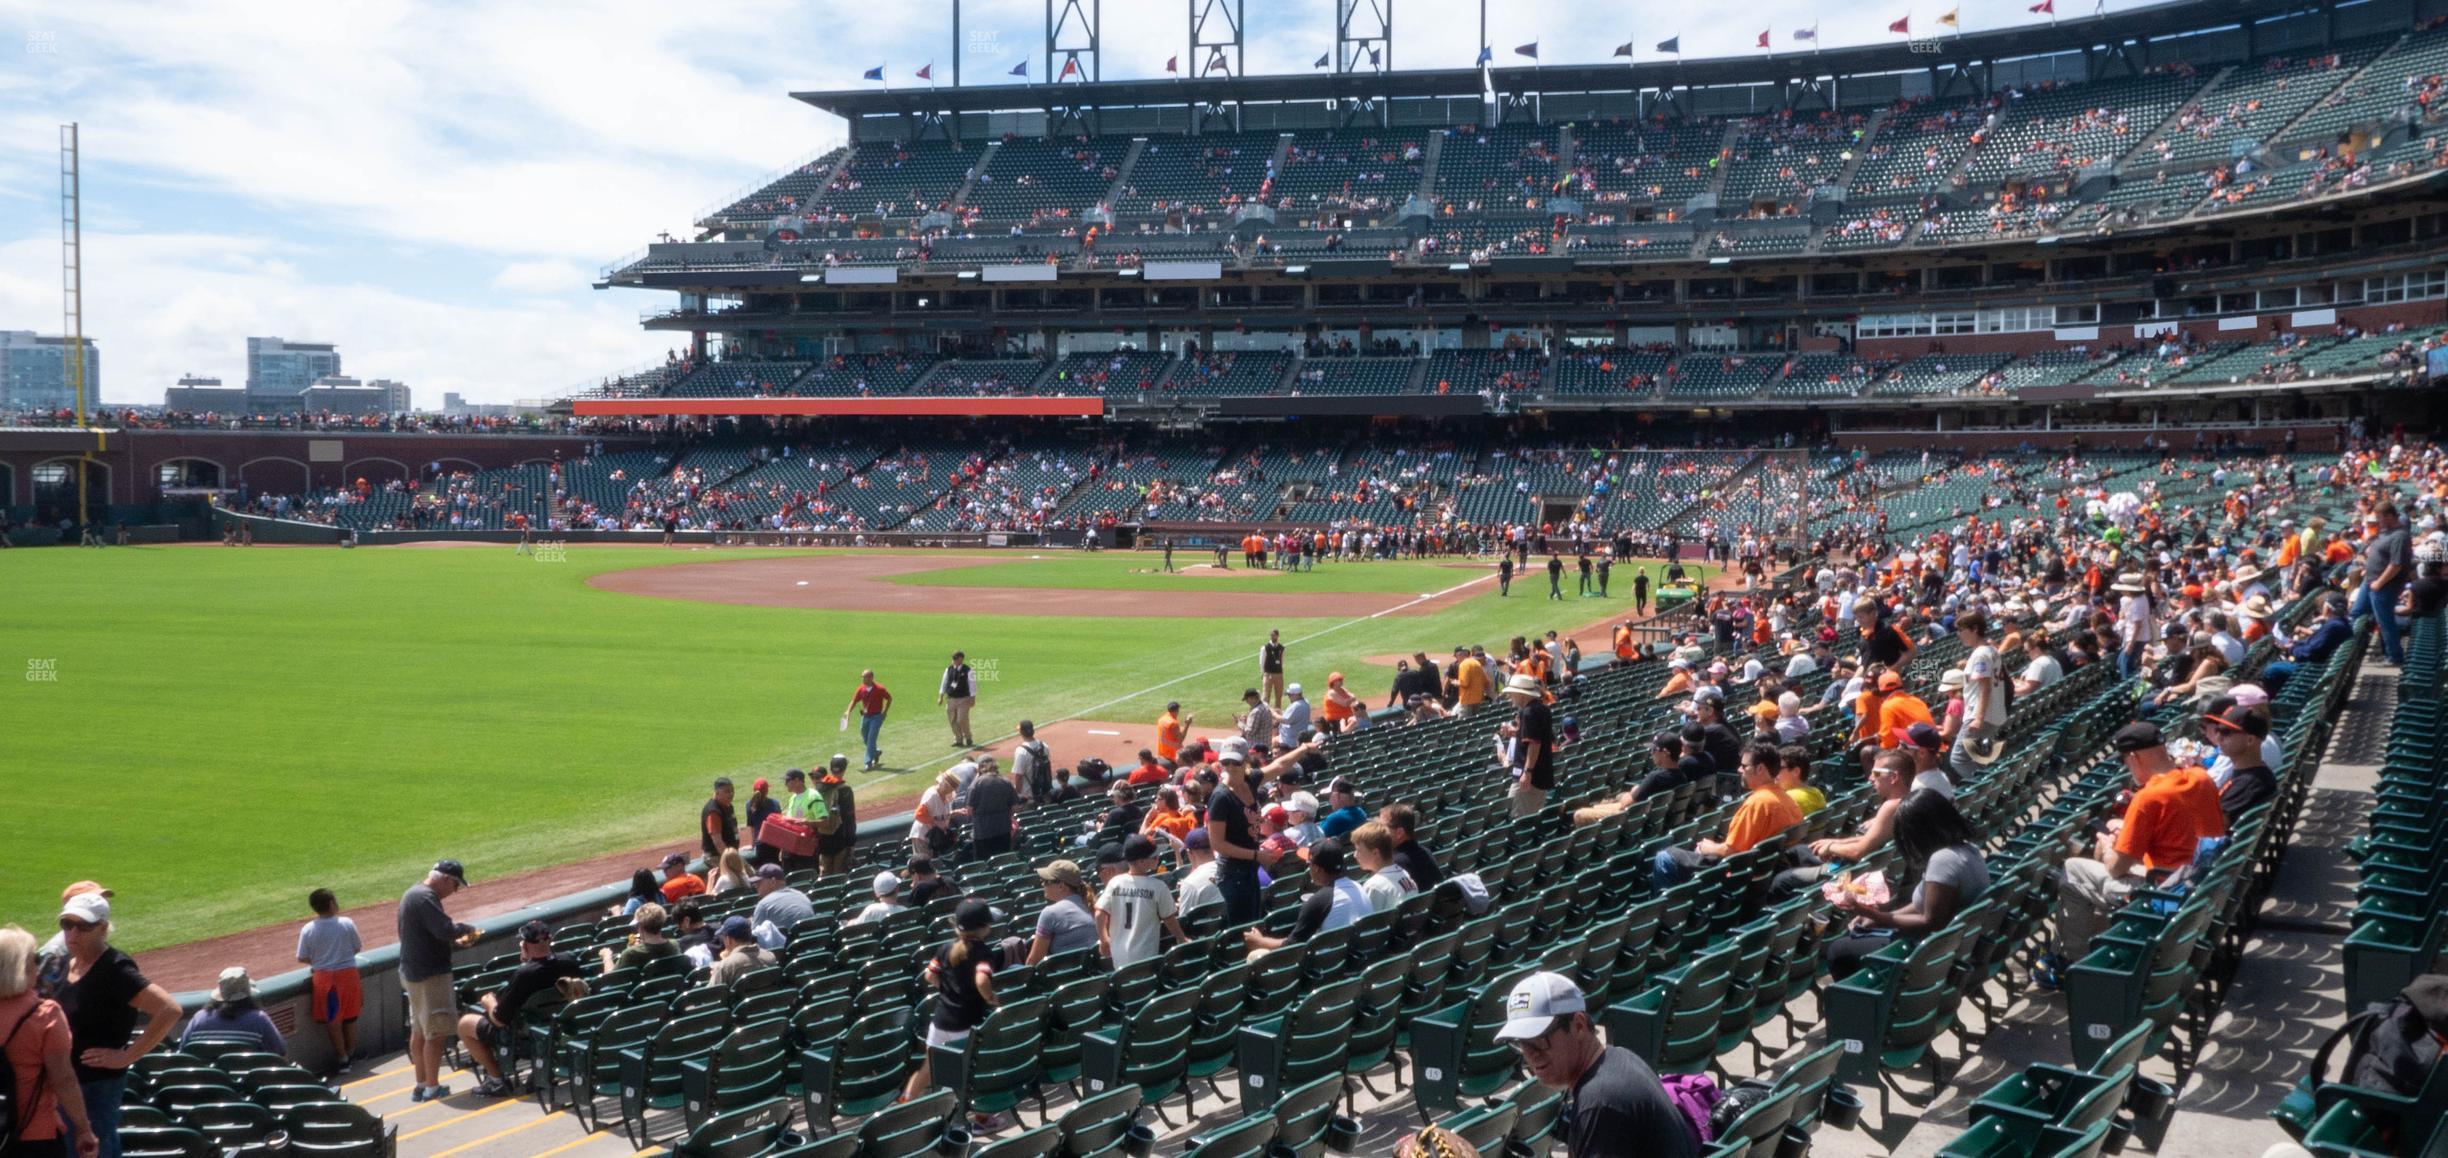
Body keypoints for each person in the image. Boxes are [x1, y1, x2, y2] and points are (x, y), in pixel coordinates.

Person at [2038, 722, 2225, 990]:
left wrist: (2107, 843)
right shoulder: (2201, 778)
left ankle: (2074, 963)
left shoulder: (2148, 797)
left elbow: (2115, 868)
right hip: (2200, 880)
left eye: (2126, 761)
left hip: (2164, 893)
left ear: (2135, 757)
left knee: (2073, 870)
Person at [1491, 972, 1697, 1158]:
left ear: (1578, 1026)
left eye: (1539, 1039)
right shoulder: (1618, 1058)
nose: (1531, 1056)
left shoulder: (1602, 1101)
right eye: (1522, 1043)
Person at [1822, 790, 1989, 980]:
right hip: (1949, 945)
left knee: (1839, 950)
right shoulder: (1966, 848)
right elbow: (1926, 905)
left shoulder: (1943, 860)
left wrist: (1872, 914)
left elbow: (1930, 921)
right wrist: (1881, 918)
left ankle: (1877, 1002)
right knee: (1855, 937)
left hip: (1931, 953)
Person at [0, 924, 100, 1158]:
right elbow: (63, 1078)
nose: (38, 965)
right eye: (33, 959)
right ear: (21, 967)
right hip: (34, 1133)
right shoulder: (44, 1014)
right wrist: (84, 1129)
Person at [905, 899, 1010, 1121]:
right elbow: (982, 980)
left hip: (941, 1021)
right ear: (984, 927)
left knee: (928, 1069)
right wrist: (991, 997)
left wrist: (948, 990)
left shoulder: (945, 948)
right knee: (970, 1074)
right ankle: (983, 1119)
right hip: (965, 1024)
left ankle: (905, 1107)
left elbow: (929, 975)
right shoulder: (983, 953)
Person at [454, 921, 583, 1096]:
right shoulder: (569, 960)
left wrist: (489, 1002)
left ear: (525, 945)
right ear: (550, 939)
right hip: (563, 1030)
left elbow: (499, 1020)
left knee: (465, 1024)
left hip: (525, 1037)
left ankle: (497, 1081)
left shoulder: (524, 974)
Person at [1653, 742, 1803, 891]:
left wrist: (1709, 848)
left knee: (1665, 857)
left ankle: (1665, 910)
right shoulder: (1789, 801)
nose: (1739, 770)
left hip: (1738, 876)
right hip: (1764, 873)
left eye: (1744, 766)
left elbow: (1733, 853)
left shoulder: (1758, 803)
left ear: (1760, 768)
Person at [1772, 750, 1913, 898]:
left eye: (1876, 774)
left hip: (1849, 874)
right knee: (1797, 851)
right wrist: (1834, 842)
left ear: (1894, 777)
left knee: (1782, 881)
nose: (1871, 778)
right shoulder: (1902, 801)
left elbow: (1858, 851)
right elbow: (1870, 840)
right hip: (1855, 866)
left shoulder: (1891, 806)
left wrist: (1831, 847)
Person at [396, 861, 476, 1104]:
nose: (455, 890)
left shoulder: (414, 894)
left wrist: (454, 942)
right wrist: (466, 929)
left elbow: (429, 935)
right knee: (436, 1032)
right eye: (455, 885)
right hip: (430, 975)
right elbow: (443, 929)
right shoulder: (425, 898)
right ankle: (432, 1088)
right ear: (444, 878)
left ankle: (421, 1084)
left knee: (420, 1030)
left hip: (413, 971)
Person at [1242, 839, 1370, 956]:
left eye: (1309, 864)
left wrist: (1260, 941)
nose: (1308, 869)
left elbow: (1293, 946)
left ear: (1317, 869)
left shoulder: (1320, 901)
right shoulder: (1358, 886)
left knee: (1256, 956)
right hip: (1355, 958)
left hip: (1326, 968)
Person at [295, 889, 363, 1074]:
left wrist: (319, 962)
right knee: (351, 1016)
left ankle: (343, 1058)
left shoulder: (308, 928)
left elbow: (302, 957)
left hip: (324, 978)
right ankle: (350, 1052)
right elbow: (357, 947)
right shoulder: (346, 923)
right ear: (332, 903)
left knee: (334, 1019)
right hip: (348, 975)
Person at [1097, 835, 1187, 968]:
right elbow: (1169, 920)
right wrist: (1182, 938)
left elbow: (1099, 913)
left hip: (1119, 956)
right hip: (1147, 955)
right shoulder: (1158, 887)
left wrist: (1104, 940)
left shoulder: (1115, 883)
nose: (1158, 857)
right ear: (1141, 861)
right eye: (1154, 856)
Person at [2202, 704, 2279, 827]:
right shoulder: (2249, 774)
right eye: (2217, 730)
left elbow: (2213, 827)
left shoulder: (2250, 783)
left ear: (2250, 740)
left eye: (2226, 732)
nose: (2218, 737)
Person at [178, 968, 285, 1055]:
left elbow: (183, 1049)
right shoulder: (259, 1019)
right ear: (248, 995)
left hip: (207, 1080)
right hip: (251, 1081)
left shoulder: (199, 1018)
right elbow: (280, 1050)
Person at [1954, 611, 2007, 778]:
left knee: (1958, 759)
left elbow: (1985, 687)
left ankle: (1982, 789)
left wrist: (1978, 718)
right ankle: (1986, 791)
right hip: (1992, 714)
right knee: (1976, 758)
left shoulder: (1981, 654)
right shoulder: (1990, 649)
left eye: (1962, 630)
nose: (1959, 635)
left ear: (1975, 629)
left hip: (1980, 715)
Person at [1502, 674, 1556, 818]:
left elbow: (1535, 744)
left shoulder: (1528, 712)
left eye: (1512, 693)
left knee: (1520, 818)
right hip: (1541, 772)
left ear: (1522, 695)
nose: (1510, 696)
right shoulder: (1541, 708)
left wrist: (1527, 772)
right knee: (1530, 814)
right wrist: (1516, 733)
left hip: (1530, 776)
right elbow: (1539, 738)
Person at [1029, 860, 1101, 964]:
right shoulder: (1093, 904)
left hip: (1063, 976)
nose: (1042, 884)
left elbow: (1034, 961)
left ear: (1061, 886)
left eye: (1046, 881)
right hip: (1092, 971)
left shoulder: (1050, 913)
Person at [1350, 821, 1417, 912]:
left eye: (1359, 850)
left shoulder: (1374, 886)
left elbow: (1370, 923)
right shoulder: (1404, 873)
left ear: (1375, 853)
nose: (1355, 855)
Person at [1380, 803, 1444, 890]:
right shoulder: (1425, 852)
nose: (1378, 832)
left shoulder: (1396, 864)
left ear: (1399, 832)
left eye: (1382, 828)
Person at [599, 903, 677, 974]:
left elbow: (610, 978)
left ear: (640, 926)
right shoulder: (674, 945)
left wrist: (607, 957)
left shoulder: (631, 953)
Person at [748, 864, 817, 940]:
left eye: (759, 882)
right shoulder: (802, 896)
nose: (756, 886)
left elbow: (754, 939)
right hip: (811, 944)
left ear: (772, 882)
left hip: (785, 950)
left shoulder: (763, 905)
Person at [842, 670, 893, 771]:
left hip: (876, 717)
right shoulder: (861, 689)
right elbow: (854, 701)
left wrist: (885, 712)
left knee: (871, 738)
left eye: (865, 677)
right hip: (865, 716)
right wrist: (848, 711)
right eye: (863, 677)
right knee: (864, 735)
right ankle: (875, 752)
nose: (863, 679)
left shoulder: (880, 689)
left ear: (871, 678)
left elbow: (889, 698)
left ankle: (868, 762)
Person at [815, 755, 858, 875]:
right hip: (840, 840)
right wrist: (851, 843)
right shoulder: (845, 790)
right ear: (844, 769)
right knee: (839, 877)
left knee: (824, 877)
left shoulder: (820, 789)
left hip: (823, 839)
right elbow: (849, 819)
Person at [967, 757, 1018, 857]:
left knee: (984, 864)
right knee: (1003, 861)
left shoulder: (976, 784)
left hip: (983, 833)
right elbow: (1015, 807)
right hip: (1003, 830)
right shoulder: (1006, 782)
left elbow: (969, 810)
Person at [706, 916, 776, 988]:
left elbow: (712, 995)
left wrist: (715, 975)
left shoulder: (725, 966)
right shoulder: (770, 957)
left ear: (728, 939)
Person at [912, 771, 960, 859]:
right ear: (944, 785)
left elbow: (940, 816)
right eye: (950, 788)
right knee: (923, 865)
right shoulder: (932, 795)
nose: (951, 791)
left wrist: (953, 813)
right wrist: (934, 825)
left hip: (933, 838)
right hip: (922, 836)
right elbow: (918, 815)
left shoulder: (944, 796)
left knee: (932, 864)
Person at [939, 650, 978, 748]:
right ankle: (958, 739)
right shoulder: (949, 669)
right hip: (951, 699)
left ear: (961, 659)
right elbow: (944, 683)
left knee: (962, 719)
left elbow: (972, 685)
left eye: (955, 658)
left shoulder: (968, 670)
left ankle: (968, 736)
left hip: (964, 699)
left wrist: (973, 698)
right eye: (953, 658)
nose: (953, 660)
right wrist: (941, 696)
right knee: (952, 720)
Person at [1012, 721, 1054, 804]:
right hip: (1044, 791)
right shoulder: (1044, 745)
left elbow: (1018, 776)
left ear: (1021, 732)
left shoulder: (1021, 751)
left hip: (1028, 796)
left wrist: (1017, 795)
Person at [699, 777, 739, 863]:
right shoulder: (713, 812)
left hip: (730, 854)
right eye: (727, 791)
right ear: (717, 793)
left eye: (732, 790)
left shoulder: (728, 806)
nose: (731, 794)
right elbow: (718, 842)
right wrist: (731, 861)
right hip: (717, 857)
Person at [1777, 746, 1825, 816]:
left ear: (1796, 772)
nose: (1774, 772)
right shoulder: (1817, 794)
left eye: (1779, 768)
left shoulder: (1788, 799)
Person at [1261, 629, 1288, 709]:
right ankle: (1265, 712)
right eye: (1271, 635)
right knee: (1266, 695)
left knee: (1279, 695)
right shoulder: (1265, 648)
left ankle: (1277, 713)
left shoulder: (1281, 648)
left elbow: (1282, 661)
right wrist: (1263, 673)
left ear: (1277, 636)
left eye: (1274, 635)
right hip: (1268, 674)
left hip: (1278, 674)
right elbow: (1261, 662)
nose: (1272, 637)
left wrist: (1279, 671)